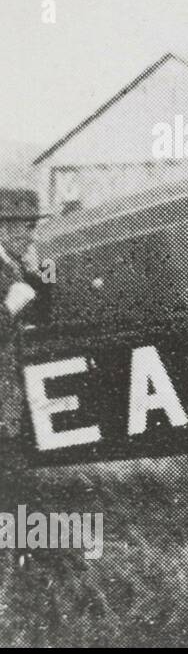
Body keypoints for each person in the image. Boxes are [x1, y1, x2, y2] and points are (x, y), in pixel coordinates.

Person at [0, 187, 50, 499]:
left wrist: (38, 274)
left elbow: (44, 309)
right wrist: (8, 309)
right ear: (3, 226)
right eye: (26, 227)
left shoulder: (12, 266)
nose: (31, 236)